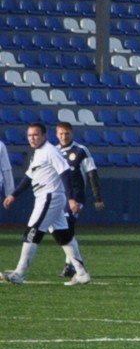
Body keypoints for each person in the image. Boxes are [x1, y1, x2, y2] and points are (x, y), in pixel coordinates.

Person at [4, 123, 89, 285]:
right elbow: (28, 178)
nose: (32, 138)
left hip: (50, 196)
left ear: (44, 135)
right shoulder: (38, 153)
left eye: (36, 135)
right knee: (63, 236)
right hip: (44, 196)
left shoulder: (50, 151)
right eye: (29, 135)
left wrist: (71, 199)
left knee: (32, 232)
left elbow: (65, 173)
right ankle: (82, 273)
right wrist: (13, 195)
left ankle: (19, 273)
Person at [52, 121, 103, 284]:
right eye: (60, 133)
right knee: (62, 230)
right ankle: (71, 265)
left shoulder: (80, 151)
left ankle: (74, 266)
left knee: (66, 225)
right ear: (56, 134)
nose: (63, 136)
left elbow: (91, 173)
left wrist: (98, 197)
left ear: (72, 134)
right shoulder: (54, 151)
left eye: (66, 133)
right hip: (59, 197)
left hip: (77, 197)